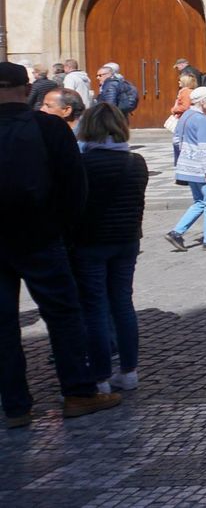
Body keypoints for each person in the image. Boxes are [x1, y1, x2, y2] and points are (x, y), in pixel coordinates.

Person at [0, 62, 122, 426]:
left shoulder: (45, 126)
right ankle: (78, 393)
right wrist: (62, 229)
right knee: (63, 315)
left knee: (3, 324)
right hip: (40, 235)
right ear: (27, 90)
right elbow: (74, 185)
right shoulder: (48, 126)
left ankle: (15, 407)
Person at [72, 103, 149, 393]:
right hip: (127, 239)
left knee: (95, 307)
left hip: (91, 241)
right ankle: (129, 370)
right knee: (122, 303)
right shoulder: (135, 162)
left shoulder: (82, 163)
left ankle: (101, 376)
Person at [167, 87, 206, 251]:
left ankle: (176, 233)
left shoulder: (186, 115)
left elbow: (176, 140)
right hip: (200, 168)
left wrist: (183, 160)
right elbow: (204, 146)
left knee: (200, 201)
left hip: (187, 166)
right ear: (201, 101)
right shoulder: (201, 119)